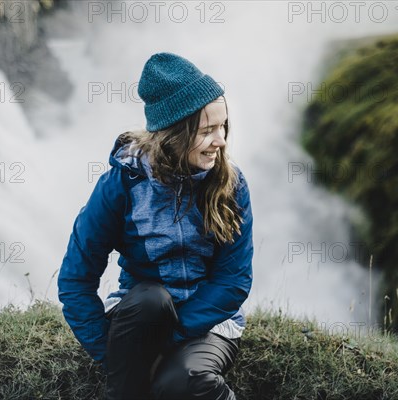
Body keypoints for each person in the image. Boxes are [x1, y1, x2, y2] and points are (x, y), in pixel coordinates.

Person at [58, 52, 254, 400]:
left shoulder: (230, 184)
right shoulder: (122, 184)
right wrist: (112, 355)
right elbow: (76, 279)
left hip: (208, 322)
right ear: (174, 134)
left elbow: (233, 280)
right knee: (151, 299)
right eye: (207, 131)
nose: (221, 140)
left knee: (182, 381)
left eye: (223, 126)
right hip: (142, 316)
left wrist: (171, 342)